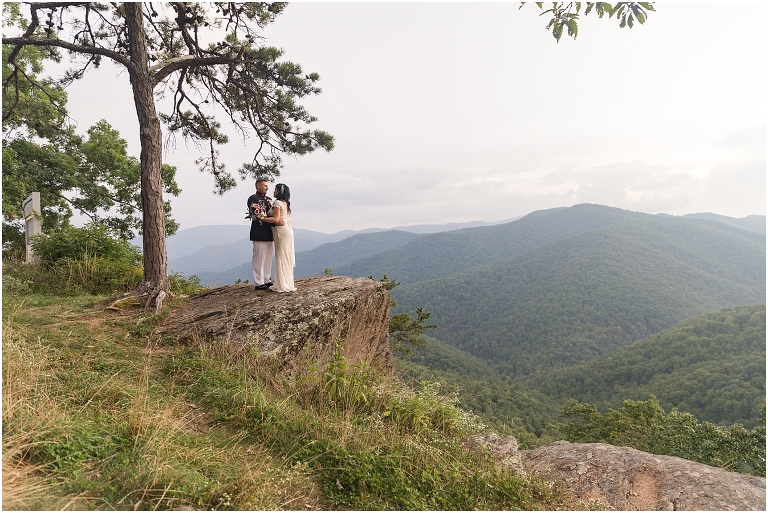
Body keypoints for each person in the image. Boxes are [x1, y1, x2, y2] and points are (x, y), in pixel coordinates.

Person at [260, 183, 297, 292]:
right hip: (287, 230)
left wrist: (262, 218)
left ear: (280, 191)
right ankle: (286, 281)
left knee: (281, 255)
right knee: (286, 255)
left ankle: (282, 284)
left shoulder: (277, 202)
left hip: (280, 231)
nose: (273, 191)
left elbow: (276, 219)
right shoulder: (285, 203)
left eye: (275, 189)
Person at [247, 178, 276, 290]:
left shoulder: (269, 199)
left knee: (268, 256)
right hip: (259, 231)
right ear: (258, 186)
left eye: (267, 186)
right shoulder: (253, 198)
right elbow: (259, 214)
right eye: (265, 186)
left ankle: (265, 278)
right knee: (259, 256)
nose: (267, 188)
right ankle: (258, 282)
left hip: (269, 231)